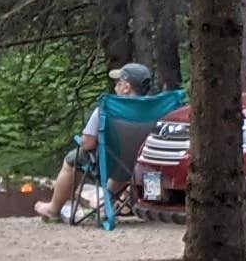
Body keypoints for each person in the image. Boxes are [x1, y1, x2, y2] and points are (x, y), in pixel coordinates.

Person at [46, 62, 184, 224]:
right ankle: (106, 203)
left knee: (73, 159)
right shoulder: (162, 108)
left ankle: (53, 210)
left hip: (114, 166)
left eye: (118, 83)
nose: (116, 86)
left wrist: (82, 140)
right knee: (123, 160)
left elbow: (88, 144)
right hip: (148, 166)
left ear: (126, 87)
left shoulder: (108, 108)